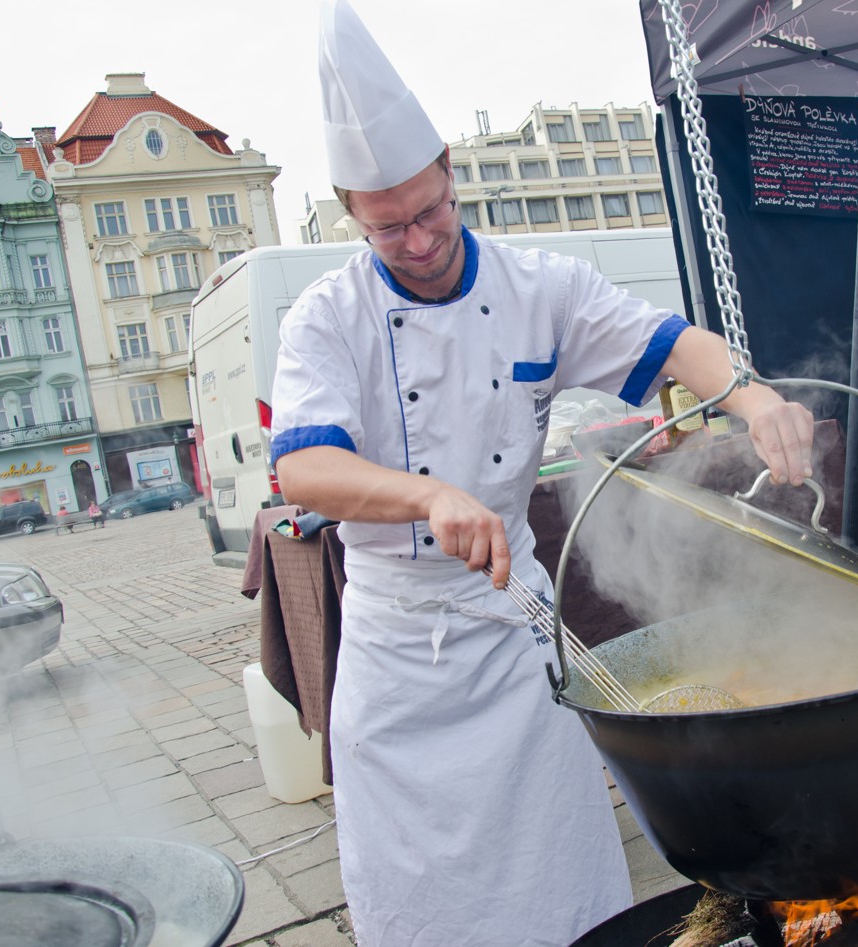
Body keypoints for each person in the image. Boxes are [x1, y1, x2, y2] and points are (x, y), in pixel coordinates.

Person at [268, 4, 816, 944]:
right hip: (397, 654)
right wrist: (429, 495)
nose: (419, 239)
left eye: (429, 210)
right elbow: (305, 468)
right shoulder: (325, 318)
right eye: (388, 227)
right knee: (418, 899)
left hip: (510, 626)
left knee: (558, 872)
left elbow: (671, 340)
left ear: (449, 170)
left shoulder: (540, 287)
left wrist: (755, 398)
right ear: (353, 214)